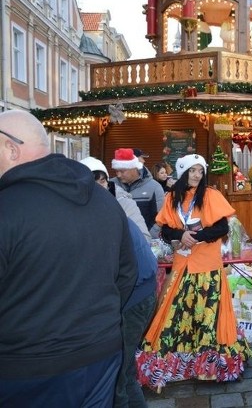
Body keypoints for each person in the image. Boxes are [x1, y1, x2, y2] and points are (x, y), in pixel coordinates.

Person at [0, 110, 137, 406]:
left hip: (28, 368)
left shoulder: (6, 208)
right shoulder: (104, 200)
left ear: (11, 149)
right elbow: (127, 274)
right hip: (100, 353)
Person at [136, 154, 252, 389]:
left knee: (208, 313)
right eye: (193, 171)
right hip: (183, 265)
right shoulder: (172, 198)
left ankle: (210, 364)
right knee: (178, 310)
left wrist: (195, 237)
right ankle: (179, 359)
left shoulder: (211, 195)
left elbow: (221, 227)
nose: (197, 175)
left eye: (200, 171)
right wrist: (181, 236)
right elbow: (166, 230)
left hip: (208, 265)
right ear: (183, 173)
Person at [80, 156, 158, 408]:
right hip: (139, 292)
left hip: (135, 295)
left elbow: (120, 269)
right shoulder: (103, 208)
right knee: (124, 370)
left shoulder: (104, 211)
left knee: (118, 374)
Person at [81, 156, 151, 241]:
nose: (99, 188)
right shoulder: (73, 206)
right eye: (93, 184)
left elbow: (142, 239)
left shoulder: (123, 203)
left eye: (102, 181)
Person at [111, 148, 165, 233]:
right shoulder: (110, 185)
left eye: (122, 171)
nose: (119, 175)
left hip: (145, 240)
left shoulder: (154, 187)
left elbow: (161, 216)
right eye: (116, 171)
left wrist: (148, 236)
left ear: (134, 168)